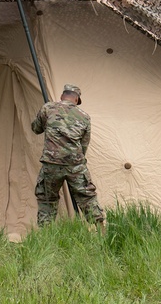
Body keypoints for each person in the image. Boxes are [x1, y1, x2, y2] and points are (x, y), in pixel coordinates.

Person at [31, 84, 106, 232]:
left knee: (47, 199)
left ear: (61, 96)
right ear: (76, 99)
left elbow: (35, 128)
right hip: (75, 165)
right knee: (87, 197)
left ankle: (45, 236)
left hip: (51, 163)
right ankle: (101, 232)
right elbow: (84, 145)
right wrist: (74, 162)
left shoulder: (48, 108)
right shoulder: (84, 117)